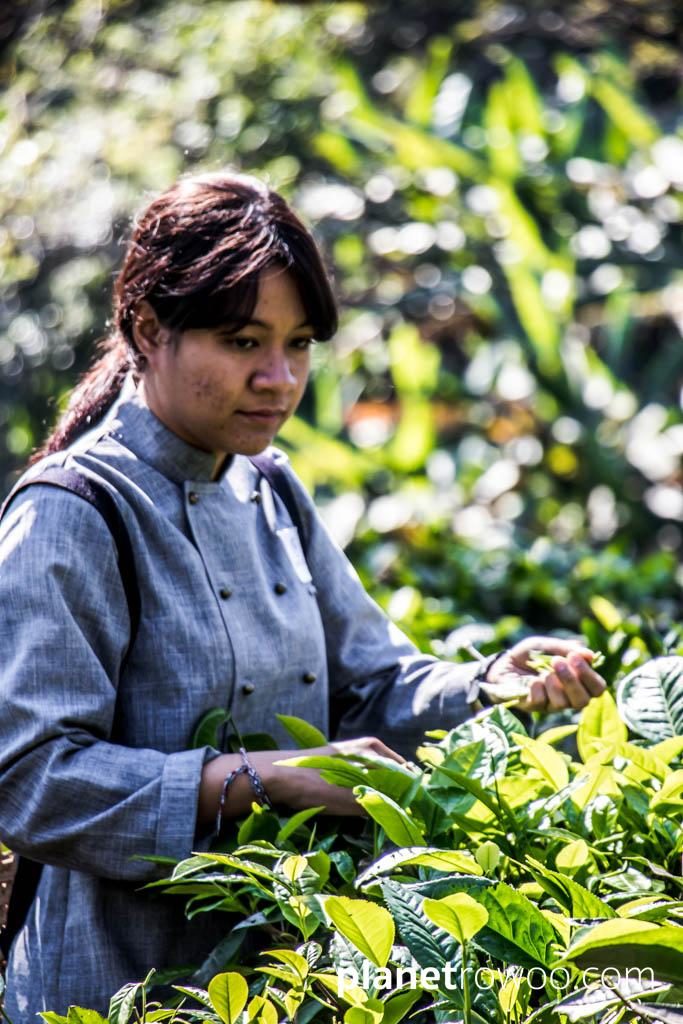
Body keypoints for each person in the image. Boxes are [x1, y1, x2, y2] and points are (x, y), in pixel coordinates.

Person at [0, 172, 605, 1018]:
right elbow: (34, 781)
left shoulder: (269, 488)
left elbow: (371, 684)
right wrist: (261, 779)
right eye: (243, 342)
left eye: (299, 344)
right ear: (147, 328)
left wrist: (487, 686)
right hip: (110, 988)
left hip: (281, 979)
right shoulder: (76, 512)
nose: (279, 379)